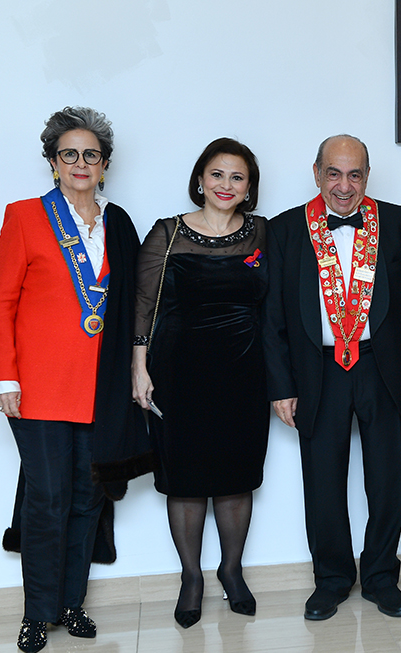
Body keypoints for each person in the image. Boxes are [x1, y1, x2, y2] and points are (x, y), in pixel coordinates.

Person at [0, 106, 150, 652]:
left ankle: (69, 603)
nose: (81, 163)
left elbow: (133, 305)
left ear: (104, 165)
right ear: (53, 162)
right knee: (48, 500)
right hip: (37, 389)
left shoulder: (118, 224)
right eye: (69, 154)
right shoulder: (24, 217)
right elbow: (1, 305)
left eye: (91, 155)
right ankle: (36, 613)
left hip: (101, 390)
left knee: (87, 499)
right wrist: (3, 380)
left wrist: (136, 372)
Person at [264, 134, 401, 620]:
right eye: (334, 174)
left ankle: (381, 578)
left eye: (355, 174)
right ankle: (332, 579)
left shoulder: (395, 220)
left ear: (367, 176)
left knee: (387, 480)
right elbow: (273, 316)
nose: (344, 186)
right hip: (316, 370)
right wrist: (281, 386)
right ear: (316, 173)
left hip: (383, 367)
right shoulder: (285, 228)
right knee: (322, 481)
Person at [131, 138, 269, 628]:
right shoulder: (168, 232)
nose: (226, 185)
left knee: (236, 476)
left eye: (237, 177)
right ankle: (191, 578)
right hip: (178, 373)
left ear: (249, 187)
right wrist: (139, 367)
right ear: (199, 180)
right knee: (185, 480)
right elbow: (143, 304)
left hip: (244, 373)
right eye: (217, 174)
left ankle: (231, 571)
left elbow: (278, 303)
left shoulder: (263, 232)